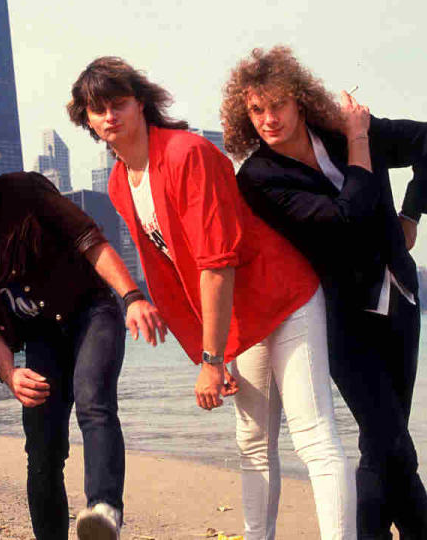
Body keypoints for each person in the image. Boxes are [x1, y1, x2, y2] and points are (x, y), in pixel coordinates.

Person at [68, 56, 355, 539]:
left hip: (283, 297)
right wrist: (205, 348)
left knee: (314, 438)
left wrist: (210, 357)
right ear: (87, 119)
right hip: (237, 317)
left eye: (119, 103)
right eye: (98, 109)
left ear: (141, 103)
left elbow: (216, 261)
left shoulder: (186, 153)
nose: (110, 116)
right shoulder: (121, 182)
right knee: (253, 442)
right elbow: (169, 271)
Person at [222, 46, 427, 540]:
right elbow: (347, 221)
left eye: (277, 104)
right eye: (256, 110)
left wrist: (411, 215)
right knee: (389, 442)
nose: (267, 119)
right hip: (342, 318)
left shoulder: (336, 131)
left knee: (386, 445)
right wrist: (361, 143)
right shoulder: (258, 178)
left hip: (399, 301)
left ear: (300, 101)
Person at [0, 134, 166, 540]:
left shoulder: (23, 191)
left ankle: (104, 510)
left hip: (91, 311)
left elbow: (90, 239)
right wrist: (10, 373)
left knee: (93, 401)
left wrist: (133, 297)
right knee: (42, 449)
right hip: (41, 334)